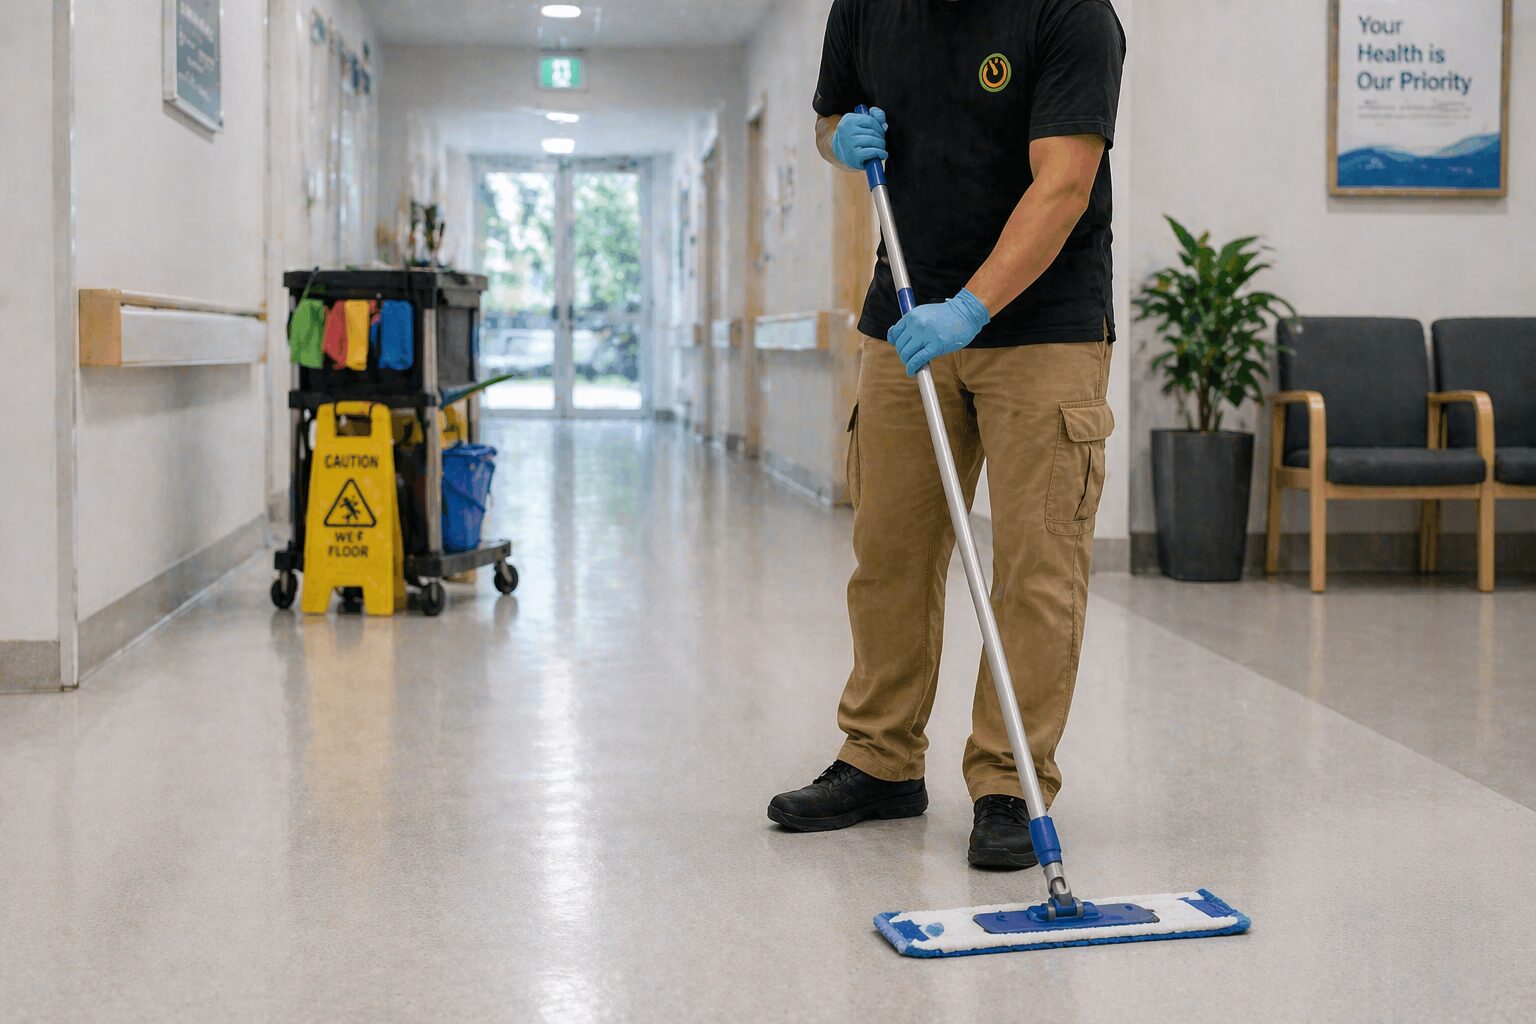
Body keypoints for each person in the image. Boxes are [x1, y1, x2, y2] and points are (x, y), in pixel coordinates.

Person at [768, 0, 1127, 869]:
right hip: (903, 319)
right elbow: (829, 118)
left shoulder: (1070, 13)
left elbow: (1064, 185)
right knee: (889, 550)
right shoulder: (865, 6)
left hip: (1042, 325)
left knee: (1036, 566)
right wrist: (838, 140)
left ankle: (1009, 781)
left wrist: (970, 307)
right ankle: (880, 760)